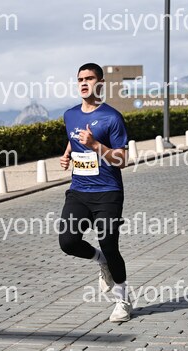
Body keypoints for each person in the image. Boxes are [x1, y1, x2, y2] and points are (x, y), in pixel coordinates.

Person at [59, 63, 130, 322]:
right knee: (68, 242)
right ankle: (101, 261)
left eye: (89, 78)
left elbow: (122, 160)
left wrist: (95, 145)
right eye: (80, 79)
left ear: (100, 83)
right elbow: (73, 137)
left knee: (109, 244)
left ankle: (123, 301)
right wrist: (67, 154)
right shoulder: (70, 115)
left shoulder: (112, 117)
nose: (84, 83)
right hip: (79, 191)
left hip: (108, 192)